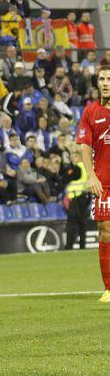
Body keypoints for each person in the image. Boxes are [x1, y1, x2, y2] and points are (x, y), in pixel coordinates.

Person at [77, 68, 110, 303]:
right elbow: (84, 146)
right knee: (106, 233)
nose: (106, 83)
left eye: (109, 79)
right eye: (102, 79)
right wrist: (91, 176)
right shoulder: (90, 111)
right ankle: (109, 288)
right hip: (104, 182)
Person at [64, 150, 90, 251]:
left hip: (76, 198)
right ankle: (82, 246)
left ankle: (69, 246)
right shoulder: (87, 168)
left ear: (79, 157)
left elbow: (67, 178)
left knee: (71, 224)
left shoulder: (76, 168)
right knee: (82, 223)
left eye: (74, 157)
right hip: (85, 197)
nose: (72, 159)